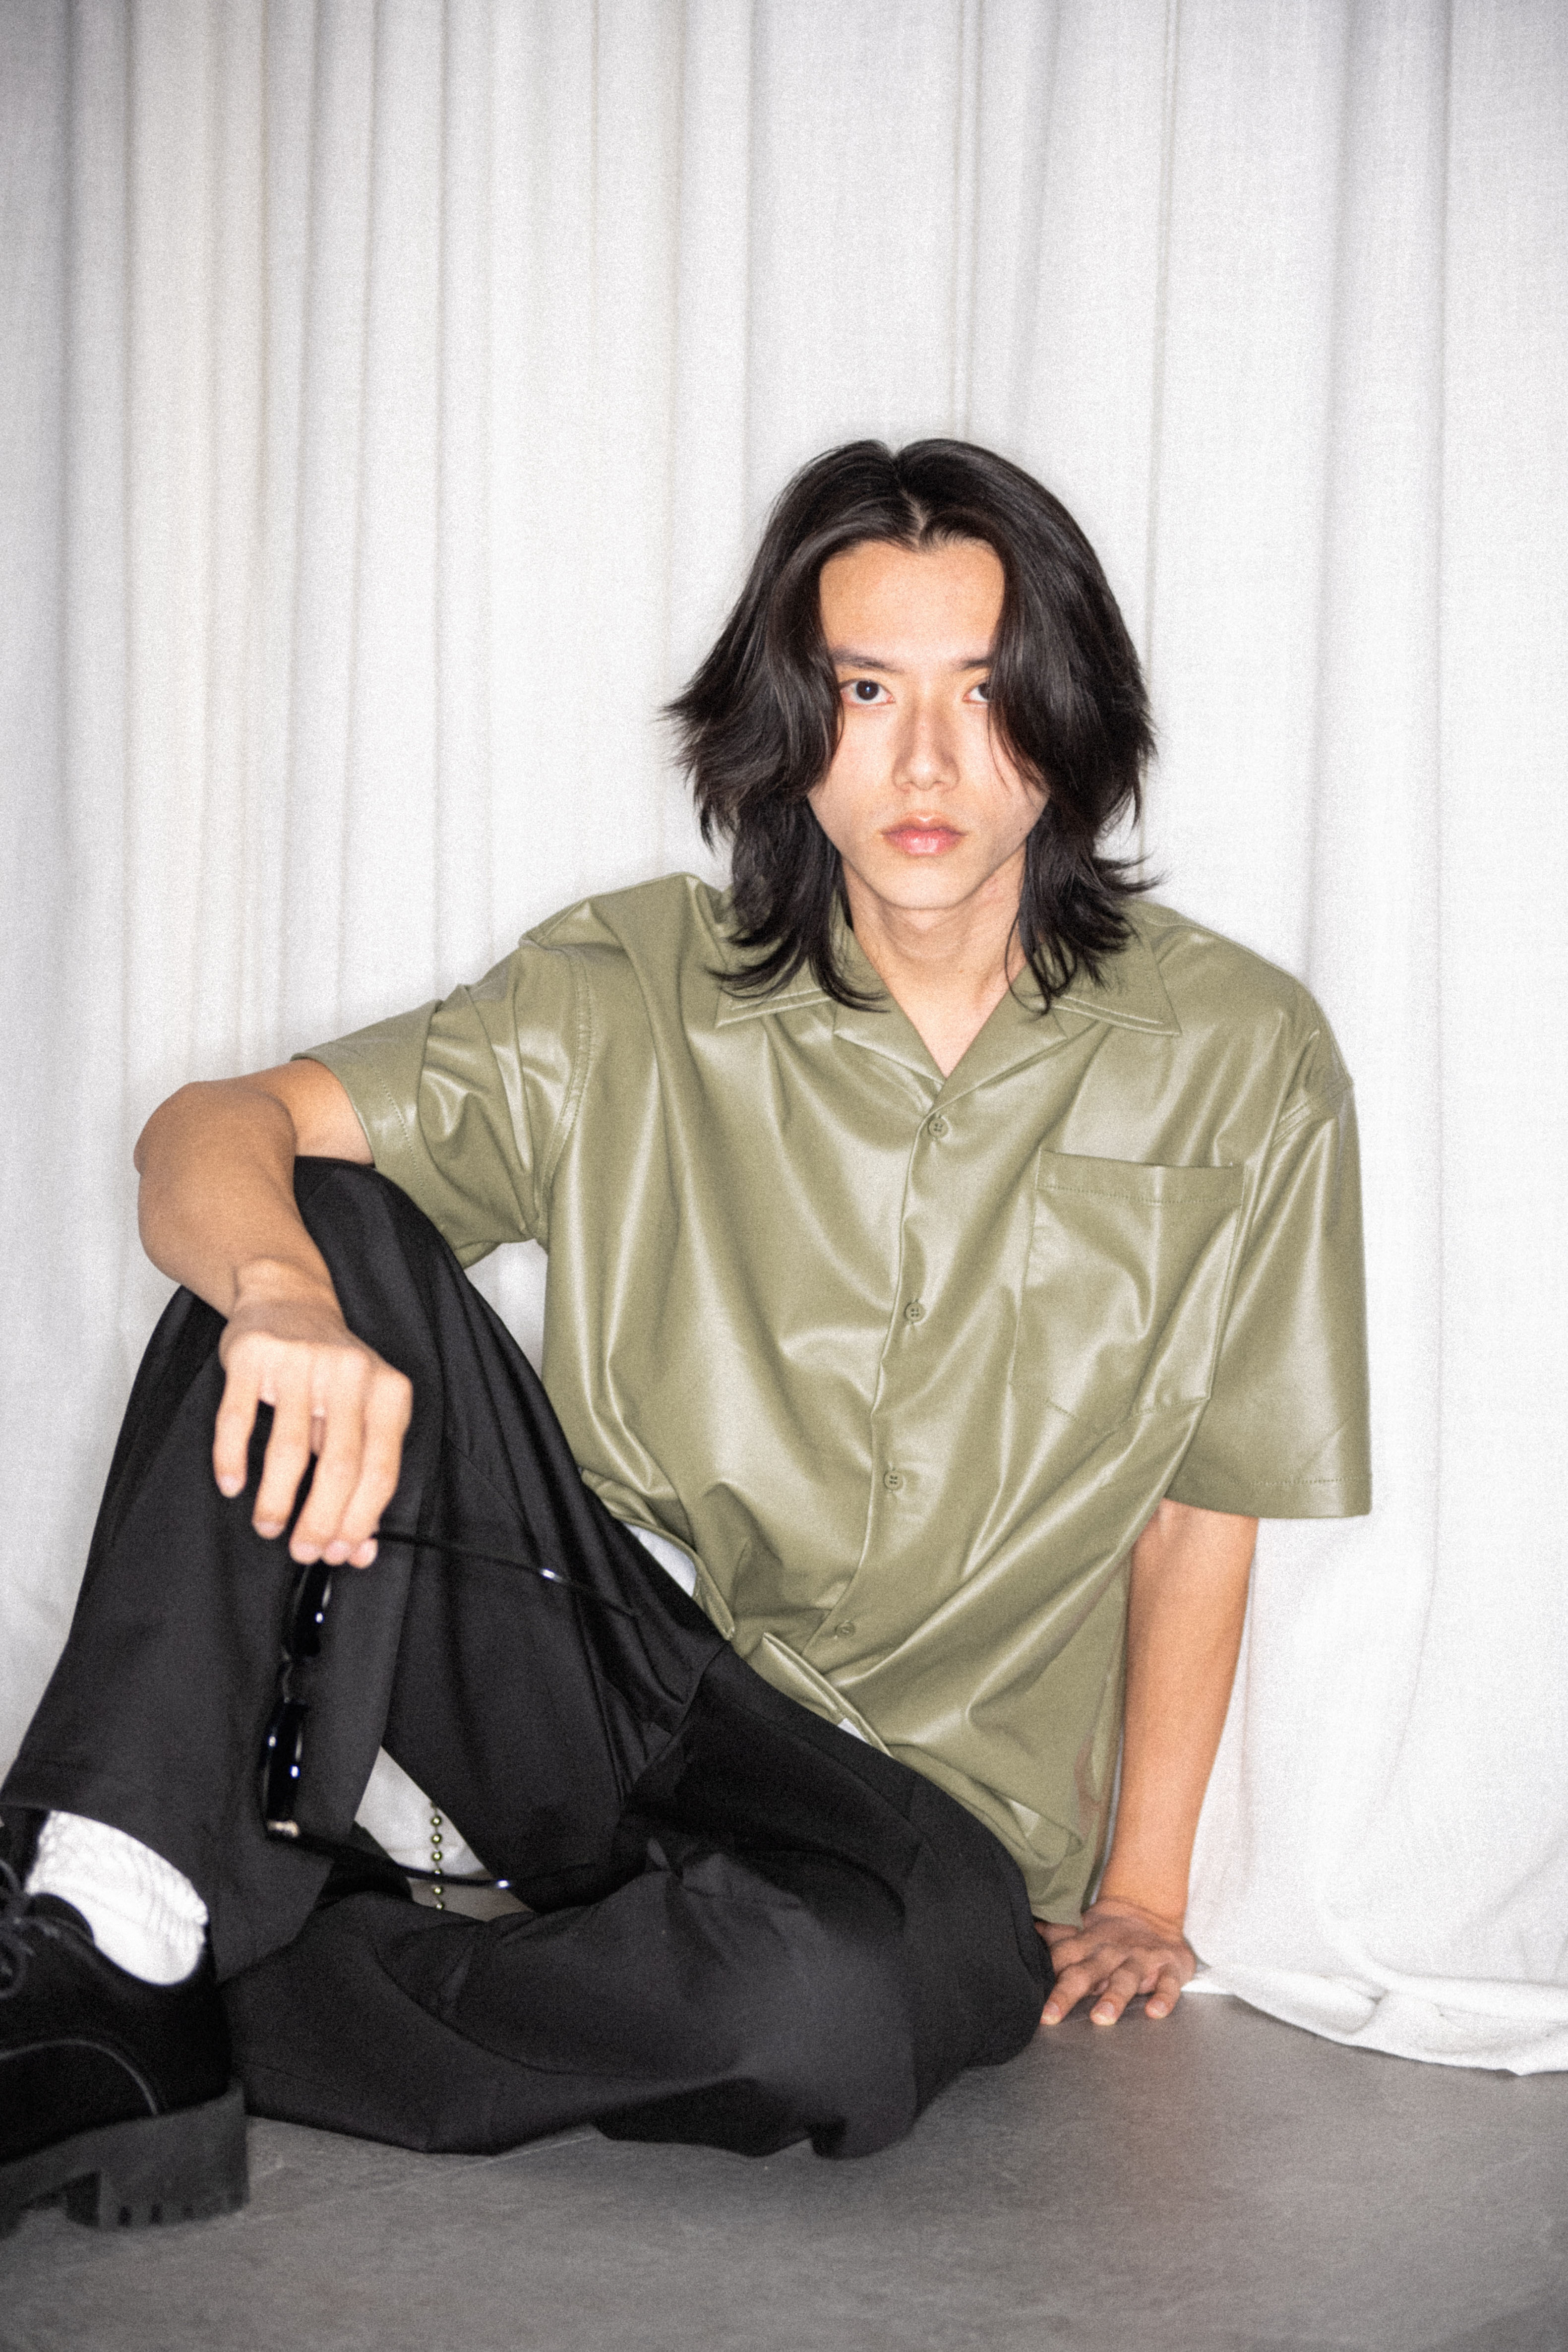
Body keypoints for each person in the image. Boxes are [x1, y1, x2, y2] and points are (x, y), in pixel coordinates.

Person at [0, 440, 1369, 2230]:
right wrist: (279, 1291)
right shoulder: (635, 989)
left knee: (820, 2018)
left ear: (1067, 713)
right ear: (790, 719)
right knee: (318, 1216)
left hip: (925, 1822)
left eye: (981, 692)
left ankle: (205, 1985)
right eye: (865, 691)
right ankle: (105, 1919)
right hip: (623, 1684)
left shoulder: (1243, 1053)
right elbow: (212, 1127)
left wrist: (1145, 1889)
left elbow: (1204, 1500)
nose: (926, 762)